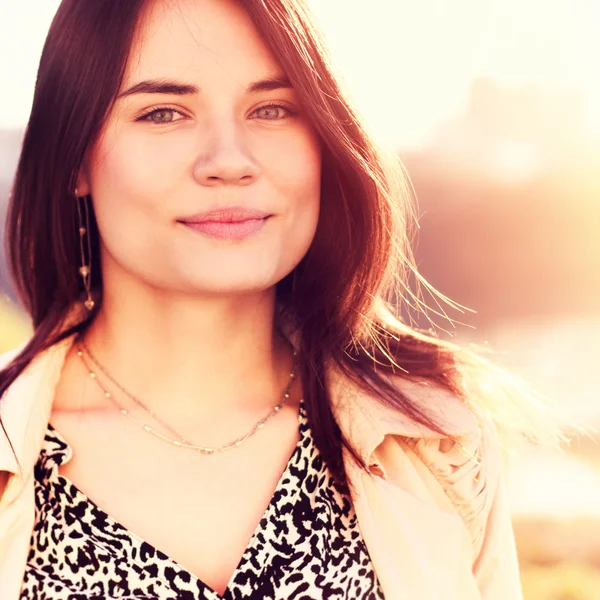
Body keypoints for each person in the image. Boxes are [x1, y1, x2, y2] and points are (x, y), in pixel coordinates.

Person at [0, 0, 537, 598]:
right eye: (162, 112)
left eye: (273, 109)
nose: (230, 161)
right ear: (73, 155)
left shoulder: (439, 441)